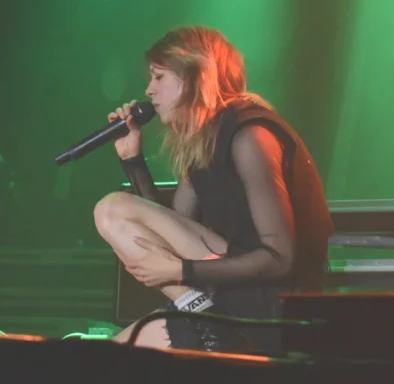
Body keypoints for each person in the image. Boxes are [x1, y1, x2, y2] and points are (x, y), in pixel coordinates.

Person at [94, 26, 334, 354]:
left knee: (111, 209)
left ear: (194, 77)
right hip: (229, 296)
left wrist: (180, 271)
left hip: (273, 306)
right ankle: (202, 316)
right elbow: (167, 228)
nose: (148, 91)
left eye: (159, 77)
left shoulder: (251, 137)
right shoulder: (203, 143)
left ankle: (204, 318)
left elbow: (280, 259)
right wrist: (133, 159)